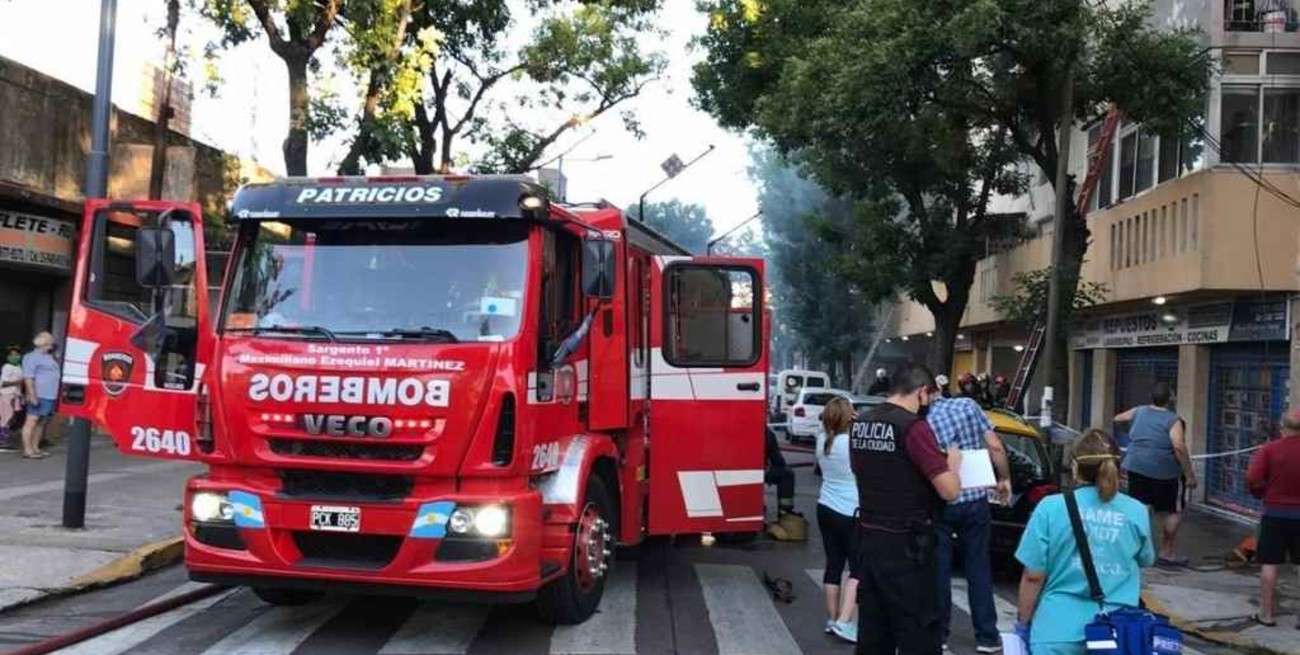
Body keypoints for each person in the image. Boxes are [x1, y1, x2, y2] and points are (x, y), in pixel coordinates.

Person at [850, 362, 962, 655]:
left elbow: (860, 470)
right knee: (919, 634)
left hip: (870, 541)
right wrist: (953, 464)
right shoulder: (913, 428)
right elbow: (949, 491)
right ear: (922, 392)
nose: (931, 406)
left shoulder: (861, 422)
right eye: (932, 399)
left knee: (874, 633)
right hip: (909, 549)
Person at [1015, 429, 1155, 655]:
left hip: (1056, 631)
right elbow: (1145, 558)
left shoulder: (1050, 508)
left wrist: (1023, 624)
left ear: (1075, 467)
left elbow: (1033, 576)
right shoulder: (1137, 511)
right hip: (1118, 632)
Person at [927, 394, 1013, 653]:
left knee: (939, 570)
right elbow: (995, 446)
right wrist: (1004, 478)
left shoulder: (922, 421)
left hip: (941, 500)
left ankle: (939, 635)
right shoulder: (968, 405)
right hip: (974, 499)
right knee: (978, 567)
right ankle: (987, 637)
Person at [1113, 381, 1197, 566]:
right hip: (1166, 472)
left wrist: (1131, 432)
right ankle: (1166, 553)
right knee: (1175, 510)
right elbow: (1178, 446)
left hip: (1137, 467)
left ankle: (1136, 550)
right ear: (1171, 399)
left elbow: (1118, 418)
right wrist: (1189, 474)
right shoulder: (1173, 420)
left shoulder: (1139, 411)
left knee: (1141, 507)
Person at [1245, 408, 1300, 628]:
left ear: (1281, 426)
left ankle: (1266, 614)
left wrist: (1261, 493)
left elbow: (1252, 477)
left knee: (1269, 563)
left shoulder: (1269, 450)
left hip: (1274, 512)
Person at [817, 397, 861, 643]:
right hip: (851, 511)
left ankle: (832, 619)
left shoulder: (822, 440)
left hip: (825, 507)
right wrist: (859, 423)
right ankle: (845, 621)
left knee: (833, 564)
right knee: (859, 568)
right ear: (848, 417)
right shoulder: (852, 443)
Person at [20, 332, 59, 459]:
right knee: (31, 421)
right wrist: (32, 395)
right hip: (39, 394)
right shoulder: (31, 357)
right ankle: (27, 450)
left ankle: (35, 448)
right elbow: (28, 378)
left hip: (50, 395)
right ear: (42, 344)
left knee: (42, 422)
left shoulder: (49, 357)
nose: (51, 346)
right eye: (49, 344)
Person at [0, 346, 22, 452]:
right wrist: (17, 382)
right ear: (7, 357)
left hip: (15, 396)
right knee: (5, 418)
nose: (15, 357)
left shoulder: (18, 366)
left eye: (17, 354)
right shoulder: (7, 367)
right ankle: (2, 442)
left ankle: (6, 441)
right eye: (12, 355)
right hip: (6, 395)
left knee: (11, 419)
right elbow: (3, 383)